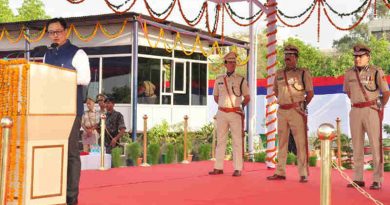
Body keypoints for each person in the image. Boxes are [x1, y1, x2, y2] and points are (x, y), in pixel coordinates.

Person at [44, 17, 91, 205]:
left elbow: (85, 78)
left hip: (71, 110)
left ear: (66, 31)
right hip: (49, 110)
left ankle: (71, 198)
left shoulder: (77, 53)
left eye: (58, 31)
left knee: (71, 153)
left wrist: (60, 77)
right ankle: (54, 195)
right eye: (51, 32)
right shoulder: (47, 54)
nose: (54, 35)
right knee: (53, 152)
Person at [343, 44, 389, 190]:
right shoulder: (349, 73)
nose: (357, 59)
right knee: (357, 145)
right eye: (355, 56)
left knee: (375, 145)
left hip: (371, 109)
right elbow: (348, 92)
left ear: (368, 57)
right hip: (355, 110)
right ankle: (358, 178)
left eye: (360, 56)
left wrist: (380, 104)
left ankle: (377, 179)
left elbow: (386, 92)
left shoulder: (376, 71)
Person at [267, 45, 314, 183]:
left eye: (290, 55)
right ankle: (280, 171)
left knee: (300, 142)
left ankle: (303, 173)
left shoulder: (303, 73)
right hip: (282, 110)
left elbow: (310, 93)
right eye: (286, 55)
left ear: (296, 58)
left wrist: (302, 105)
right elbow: (275, 90)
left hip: (296, 110)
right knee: (282, 142)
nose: (287, 58)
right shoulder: (279, 73)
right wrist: (284, 100)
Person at [208, 51, 250, 177]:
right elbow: (215, 97)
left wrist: (239, 106)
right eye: (230, 62)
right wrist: (223, 105)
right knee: (220, 140)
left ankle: (237, 168)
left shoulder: (241, 80)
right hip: (222, 112)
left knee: (237, 141)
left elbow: (247, 97)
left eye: (234, 62)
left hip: (235, 112)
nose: (232, 64)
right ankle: (218, 167)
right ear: (225, 64)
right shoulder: (219, 79)